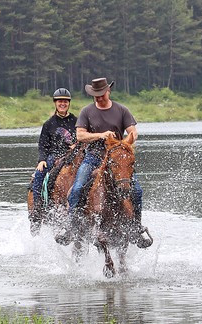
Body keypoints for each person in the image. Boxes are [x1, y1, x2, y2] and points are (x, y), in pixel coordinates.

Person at [55, 77, 151, 248]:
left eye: (101, 95)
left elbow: (133, 132)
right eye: (96, 95)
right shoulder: (87, 111)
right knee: (77, 188)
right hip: (93, 157)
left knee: (136, 191)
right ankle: (71, 227)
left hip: (117, 159)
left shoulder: (122, 110)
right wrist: (100, 135)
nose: (99, 98)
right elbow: (80, 135)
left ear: (108, 91)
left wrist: (127, 140)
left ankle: (136, 228)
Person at [31, 88, 78, 214]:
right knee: (40, 173)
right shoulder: (49, 124)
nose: (62, 104)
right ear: (55, 103)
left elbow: (83, 138)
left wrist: (77, 145)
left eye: (65, 101)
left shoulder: (76, 121)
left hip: (74, 154)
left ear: (69, 103)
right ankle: (38, 205)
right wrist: (41, 160)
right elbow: (42, 145)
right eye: (60, 101)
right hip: (55, 155)